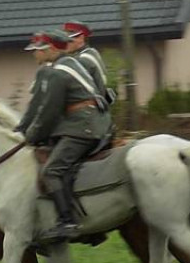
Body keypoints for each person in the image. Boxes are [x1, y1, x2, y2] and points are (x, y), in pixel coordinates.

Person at [18, 29, 112, 244]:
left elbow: (48, 111)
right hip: (91, 123)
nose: (34, 55)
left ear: (50, 49)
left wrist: (30, 136)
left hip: (83, 126)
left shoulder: (57, 73)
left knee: (52, 170)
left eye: (37, 50)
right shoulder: (70, 64)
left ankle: (67, 222)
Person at [63, 19, 117, 105]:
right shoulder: (92, 52)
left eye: (69, 40)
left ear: (81, 38)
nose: (65, 44)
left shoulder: (81, 60)